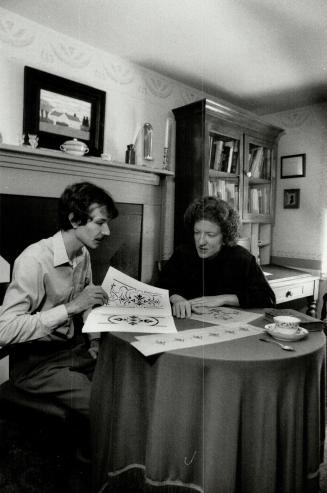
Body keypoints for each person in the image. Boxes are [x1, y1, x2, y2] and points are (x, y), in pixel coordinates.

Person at [0, 181, 118, 418]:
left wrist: (94, 340)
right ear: (74, 220)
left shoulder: (82, 253)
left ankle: (93, 450)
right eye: (99, 223)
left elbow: (87, 301)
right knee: (104, 403)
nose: (107, 232)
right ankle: (90, 454)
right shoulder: (34, 260)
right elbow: (5, 330)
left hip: (71, 350)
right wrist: (72, 307)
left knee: (124, 384)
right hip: (34, 364)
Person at [159, 196, 275, 318]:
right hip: (187, 323)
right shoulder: (182, 253)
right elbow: (160, 287)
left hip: (227, 326)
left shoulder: (242, 258)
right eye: (197, 232)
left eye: (210, 234)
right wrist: (176, 299)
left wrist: (224, 299)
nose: (201, 241)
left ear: (225, 236)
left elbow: (268, 299)